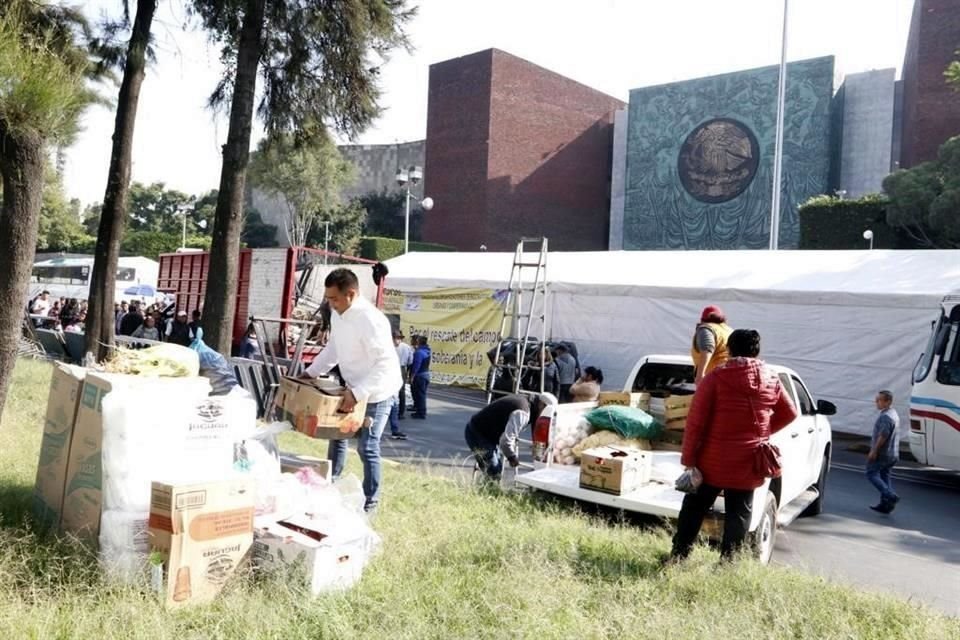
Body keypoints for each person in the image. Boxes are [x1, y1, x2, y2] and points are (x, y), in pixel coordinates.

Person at [670, 329, 798, 562]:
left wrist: (688, 460)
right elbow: (790, 413)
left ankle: (680, 556)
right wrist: (762, 433)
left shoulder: (716, 378)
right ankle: (728, 563)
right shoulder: (771, 378)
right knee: (739, 514)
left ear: (728, 350)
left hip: (712, 461)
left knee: (694, 509)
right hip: (749, 462)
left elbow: (695, 423)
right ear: (757, 351)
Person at [302, 268, 402, 513]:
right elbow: (333, 349)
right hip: (353, 387)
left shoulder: (371, 319)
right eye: (328, 298)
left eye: (334, 298)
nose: (330, 303)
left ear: (351, 294)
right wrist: (310, 373)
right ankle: (329, 485)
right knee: (337, 437)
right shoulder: (338, 314)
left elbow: (385, 364)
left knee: (367, 447)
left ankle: (370, 502)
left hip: (378, 390)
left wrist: (358, 393)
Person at [464, 393, 546, 480]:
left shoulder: (531, 403)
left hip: (487, 434)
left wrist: (538, 455)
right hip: (478, 433)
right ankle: (487, 491)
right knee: (494, 472)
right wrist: (512, 458)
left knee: (495, 469)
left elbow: (536, 434)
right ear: (541, 405)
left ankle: (485, 489)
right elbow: (505, 441)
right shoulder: (522, 412)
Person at [866, 390, 901, 514]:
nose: (876, 402)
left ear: (888, 401)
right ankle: (886, 505)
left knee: (871, 473)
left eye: (879, 400)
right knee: (885, 476)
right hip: (893, 453)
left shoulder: (886, 416)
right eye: (876, 399)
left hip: (883, 453)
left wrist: (874, 451)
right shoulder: (893, 413)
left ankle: (890, 495)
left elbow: (883, 435)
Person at [692, 305, 733, 384]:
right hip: (730, 374)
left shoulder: (706, 329)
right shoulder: (729, 330)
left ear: (702, 319)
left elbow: (707, 349)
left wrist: (700, 374)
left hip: (713, 377)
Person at [388, 329, 413, 439]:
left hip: (399, 369)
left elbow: (410, 361)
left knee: (398, 395)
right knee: (395, 396)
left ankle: (396, 424)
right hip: (391, 370)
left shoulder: (405, 347)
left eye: (399, 338)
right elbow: (410, 361)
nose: (397, 341)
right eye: (396, 338)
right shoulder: (387, 347)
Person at [410, 335, 432, 419]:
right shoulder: (427, 351)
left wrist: (412, 376)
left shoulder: (419, 352)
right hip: (426, 374)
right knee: (422, 394)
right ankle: (420, 411)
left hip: (420, 375)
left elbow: (416, 366)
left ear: (419, 342)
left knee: (420, 395)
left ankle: (421, 413)